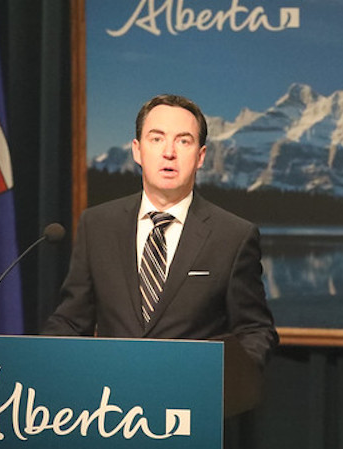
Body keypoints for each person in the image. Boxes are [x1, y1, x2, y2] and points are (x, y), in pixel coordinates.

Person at [43, 94, 278, 369]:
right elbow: (72, 321)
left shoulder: (234, 236)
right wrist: (38, 363)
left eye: (183, 140)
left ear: (201, 156)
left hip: (192, 401)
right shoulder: (97, 225)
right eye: (156, 139)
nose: (169, 152)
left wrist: (222, 384)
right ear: (137, 150)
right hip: (111, 400)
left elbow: (255, 332)